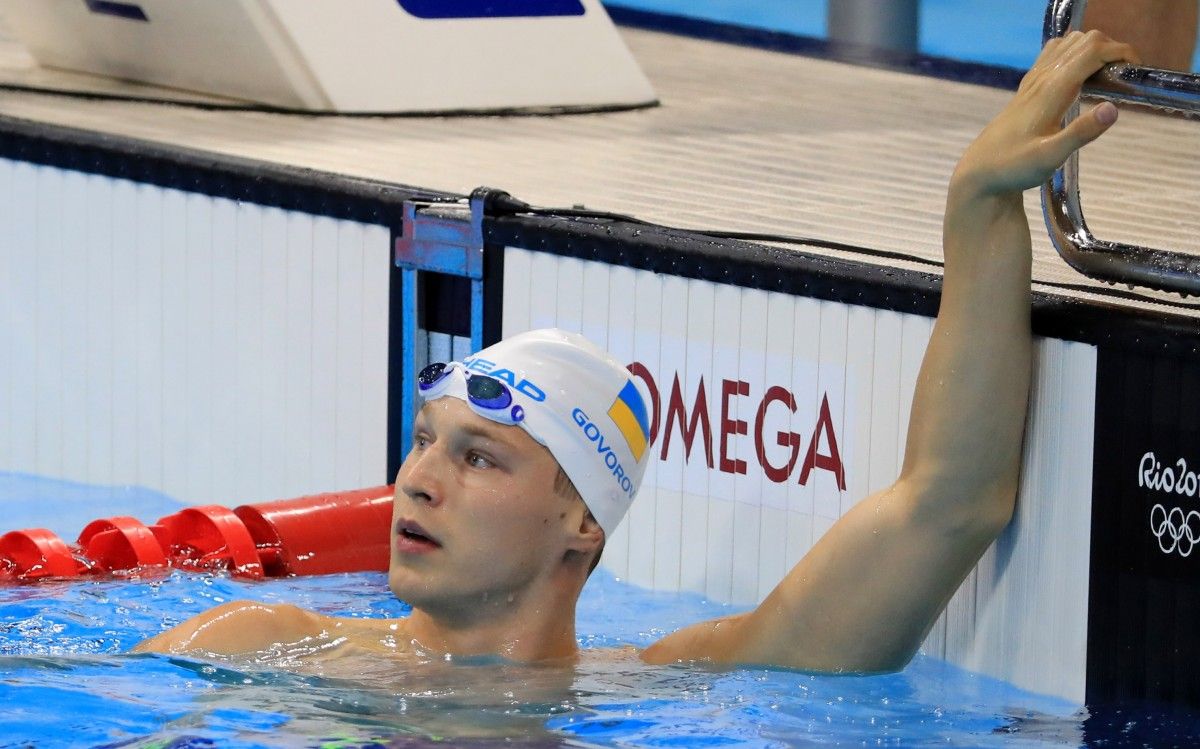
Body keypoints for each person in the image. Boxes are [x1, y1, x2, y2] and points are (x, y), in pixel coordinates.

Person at [133, 31, 1137, 673]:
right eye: (426, 440)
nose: (417, 481)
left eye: (480, 456)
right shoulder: (263, 648)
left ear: (583, 519)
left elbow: (949, 503)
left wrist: (978, 204)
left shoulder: (669, 685)